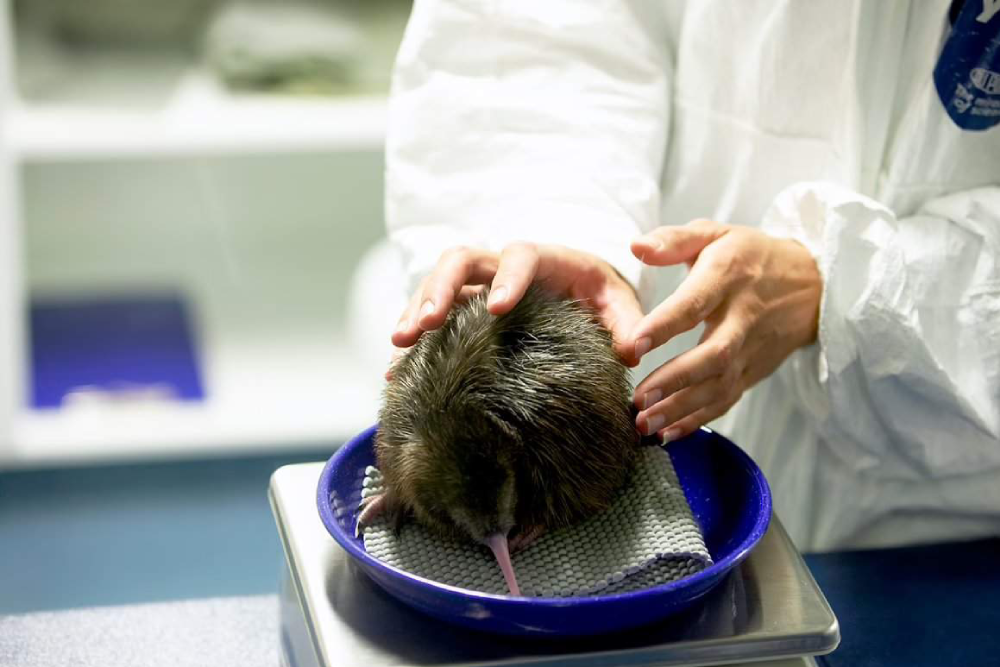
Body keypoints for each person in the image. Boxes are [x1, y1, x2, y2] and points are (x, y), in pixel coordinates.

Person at [381, 0, 1000, 552]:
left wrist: (846, 290)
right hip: (684, 441)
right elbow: (548, 36)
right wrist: (559, 226)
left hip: (950, 524)